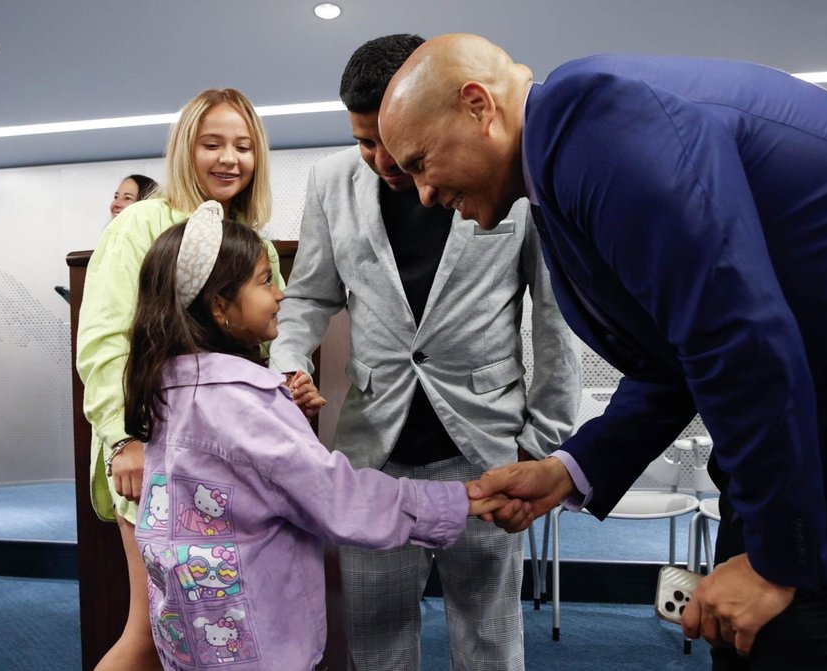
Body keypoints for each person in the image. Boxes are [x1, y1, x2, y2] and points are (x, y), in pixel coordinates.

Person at [379, 34, 827, 670]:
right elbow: (675, 352)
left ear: (477, 106)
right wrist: (569, 468)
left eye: (418, 163)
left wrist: (776, 563)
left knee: (802, 641)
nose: (424, 194)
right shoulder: (563, 159)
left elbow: (736, 336)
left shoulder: (590, 122)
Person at [268, 34, 580, 671]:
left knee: (489, 639)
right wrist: (289, 364)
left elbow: (554, 318)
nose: (381, 159)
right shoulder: (330, 182)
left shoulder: (504, 173)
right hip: (372, 461)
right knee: (376, 639)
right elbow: (307, 298)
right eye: (363, 141)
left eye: (389, 139)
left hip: (488, 451)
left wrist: (545, 440)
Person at [123, 200, 507, 671]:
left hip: (191, 634)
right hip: (256, 639)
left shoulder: (169, 387)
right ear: (219, 307)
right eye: (265, 281)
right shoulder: (245, 404)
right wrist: (455, 501)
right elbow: (337, 498)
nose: (280, 294)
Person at [76, 88, 324, 671]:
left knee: (212, 641)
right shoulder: (141, 223)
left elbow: (261, 345)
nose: (228, 159)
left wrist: (291, 384)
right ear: (185, 150)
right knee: (149, 634)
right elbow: (106, 342)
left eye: (242, 146)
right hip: (154, 455)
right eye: (212, 143)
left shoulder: (254, 239)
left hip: (226, 468)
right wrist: (124, 440)